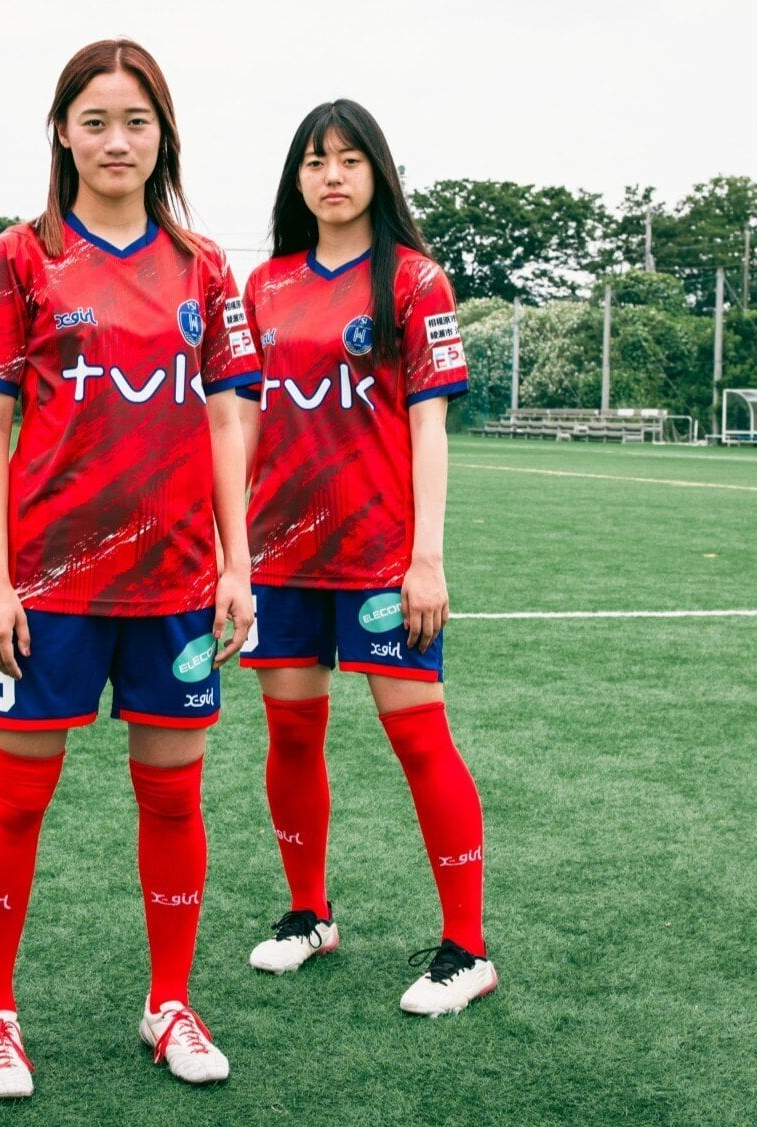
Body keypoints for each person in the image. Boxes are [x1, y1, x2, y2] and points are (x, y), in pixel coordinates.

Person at [0, 39, 258, 1098]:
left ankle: (168, 1002)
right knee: (15, 799)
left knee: (173, 797)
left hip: (175, 583)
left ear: (163, 134)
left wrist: (237, 564)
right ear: (62, 133)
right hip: (47, 585)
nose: (116, 140)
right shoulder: (18, 258)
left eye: (137, 121)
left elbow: (225, 419)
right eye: (95, 121)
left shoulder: (205, 266)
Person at [237, 99, 497, 1017]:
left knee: (418, 737)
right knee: (290, 735)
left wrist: (427, 558)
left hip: (381, 554)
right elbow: (240, 424)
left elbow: (429, 428)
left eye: (349, 159)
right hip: (278, 553)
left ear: (377, 172)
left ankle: (465, 948)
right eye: (315, 161)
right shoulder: (263, 285)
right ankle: (309, 914)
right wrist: (231, 551)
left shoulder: (416, 282)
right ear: (296, 178)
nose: (332, 176)